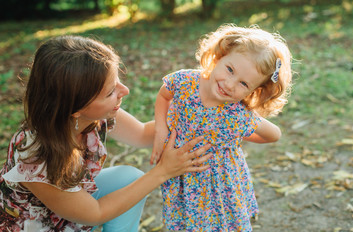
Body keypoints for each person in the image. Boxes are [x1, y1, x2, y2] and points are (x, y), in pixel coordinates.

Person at [0, 35, 213, 232]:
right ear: (75, 108)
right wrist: (163, 171)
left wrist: (202, 118)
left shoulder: (92, 114)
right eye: (110, 92)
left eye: (117, 80)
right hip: (38, 226)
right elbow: (94, 214)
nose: (125, 91)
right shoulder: (36, 157)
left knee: (130, 179)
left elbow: (141, 134)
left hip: (73, 208)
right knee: (138, 183)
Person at [150, 24, 293, 231]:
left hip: (222, 185)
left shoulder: (237, 114)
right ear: (220, 56)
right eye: (229, 70)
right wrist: (160, 129)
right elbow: (164, 95)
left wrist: (235, 137)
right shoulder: (184, 81)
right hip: (185, 176)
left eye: (244, 84)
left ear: (254, 91)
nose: (229, 84)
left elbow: (274, 134)